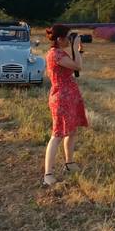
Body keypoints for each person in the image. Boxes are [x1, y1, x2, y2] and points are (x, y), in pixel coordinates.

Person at [42, 24, 88, 186]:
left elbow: (77, 67)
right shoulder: (55, 54)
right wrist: (75, 48)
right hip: (61, 97)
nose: (70, 40)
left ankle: (69, 162)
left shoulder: (60, 52)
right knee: (58, 134)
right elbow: (78, 66)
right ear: (60, 39)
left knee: (72, 130)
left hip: (70, 96)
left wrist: (78, 50)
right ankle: (48, 173)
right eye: (68, 37)